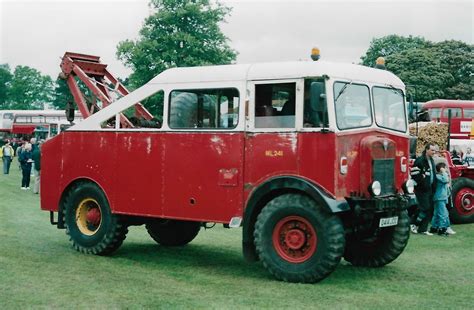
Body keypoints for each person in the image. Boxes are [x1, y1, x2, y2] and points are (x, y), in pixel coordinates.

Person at [410, 143, 438, 235]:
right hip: (421, 189)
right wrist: (422, 182)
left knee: (428, 208)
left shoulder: (432, 160)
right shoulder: (420, 160)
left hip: (430, 189)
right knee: (424, 207)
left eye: (434, 150)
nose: (434, 152)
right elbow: (414, 174)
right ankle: (413, 223)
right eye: (432, 150)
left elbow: (433, 174)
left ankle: (423, 229)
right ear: (427, 150)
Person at [430, 162, 456, 236]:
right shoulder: (438, 176)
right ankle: (442, 228)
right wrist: (443, 172)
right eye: (445, 168)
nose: (446, 169)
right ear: (441, 169)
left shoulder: (439, 176)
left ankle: (434, 227)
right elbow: (445, 180)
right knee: (443, 214)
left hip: (441, 197)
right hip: (440, 197)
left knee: (437, 213)